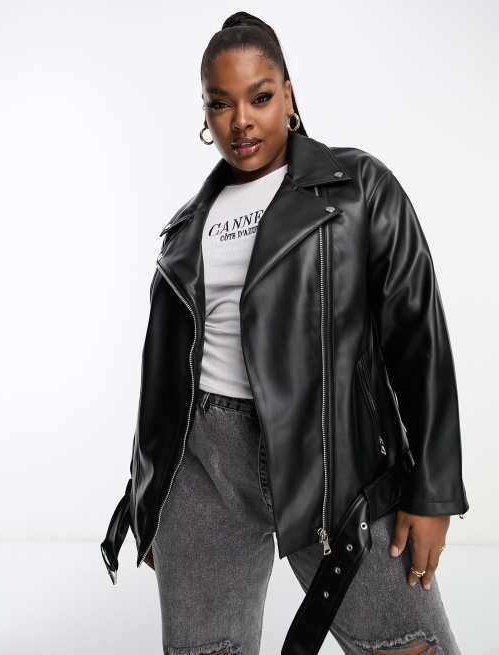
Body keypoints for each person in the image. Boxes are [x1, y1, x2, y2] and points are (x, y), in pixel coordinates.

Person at [100, 11, 470, 655]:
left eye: (260, 96)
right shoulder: (185, 229)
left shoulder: (357, 187)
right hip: (201, 466)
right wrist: (148, 492)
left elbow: (421, 341)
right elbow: (163, 378)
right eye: (220, 104)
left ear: (290, 96)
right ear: (206, 115)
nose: (240, 120)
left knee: (410, 644)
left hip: (337, 463)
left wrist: (433, 493)